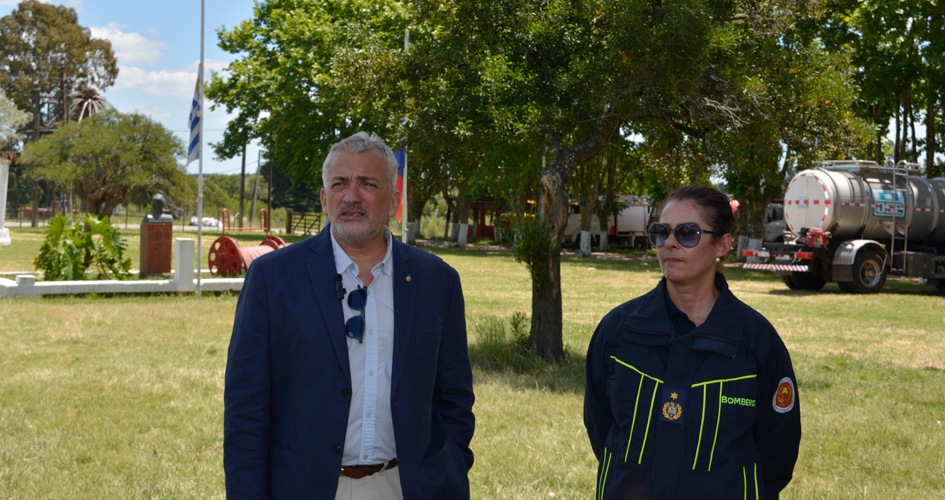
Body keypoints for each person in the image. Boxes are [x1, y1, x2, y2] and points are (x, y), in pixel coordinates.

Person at [224, 132, 475, 500]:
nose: (351, 196)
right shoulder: (272, 278)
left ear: (394, 200)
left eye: (367, 184)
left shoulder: (437, 281)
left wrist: (449, 464)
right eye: (339, 184)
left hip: (407, 485)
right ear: (325, 199)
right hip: (303, 488)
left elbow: (455, 397)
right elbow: (246, 407)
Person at [584, 185, 801, 499]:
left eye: (687, 233)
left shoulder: (757, 342)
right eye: (661, 232)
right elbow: (600, 427)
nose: (669, 243)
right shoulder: (618, 331)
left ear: (722, 244)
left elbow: (776, 452)